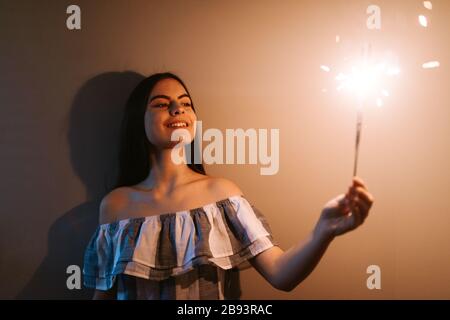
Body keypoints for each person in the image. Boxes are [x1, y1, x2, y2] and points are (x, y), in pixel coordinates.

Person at [83, 72, 374, 299]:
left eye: (185, 103)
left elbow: (282, 275)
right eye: (161, 103)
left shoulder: (222, 195)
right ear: (138, 121)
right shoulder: (116, 206)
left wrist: (323, 230)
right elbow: (103, 294)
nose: (176, 109)